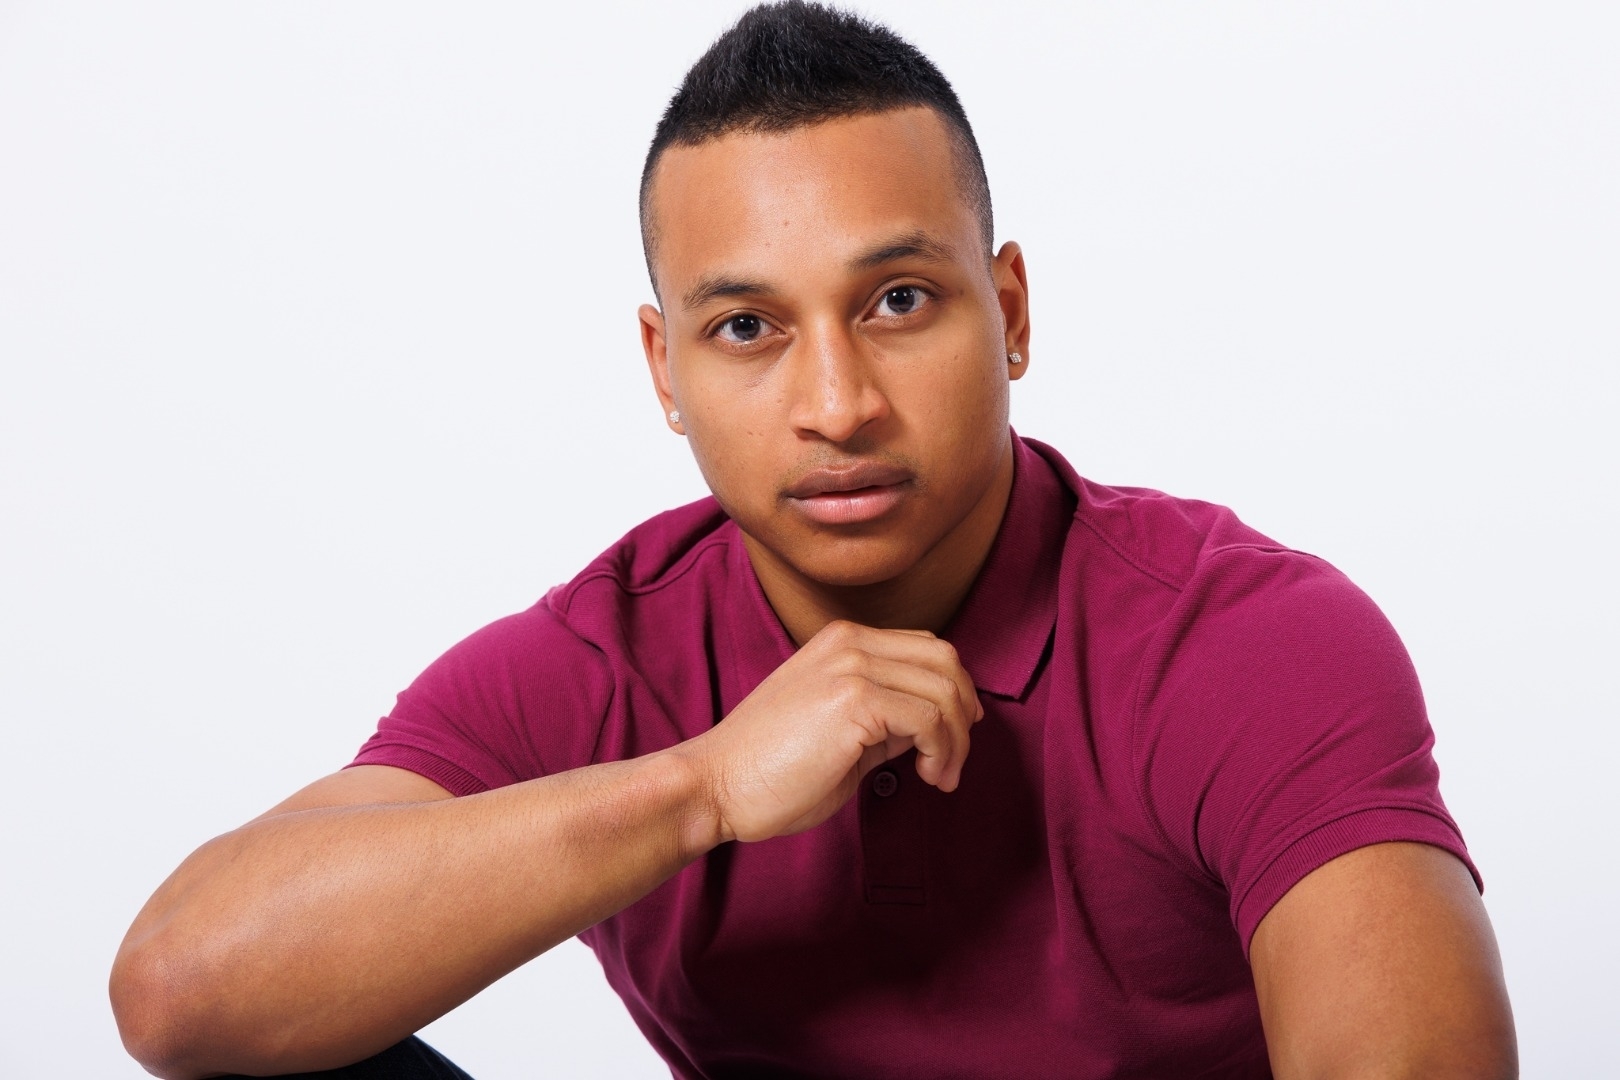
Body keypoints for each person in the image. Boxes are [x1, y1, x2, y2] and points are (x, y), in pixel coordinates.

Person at [110, 3, 1517, 1078]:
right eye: (747, 328)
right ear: (664, 369)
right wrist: (703, 787)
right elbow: (182, 989)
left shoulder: (1243, 643)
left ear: (1010, 311)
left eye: (899, 301)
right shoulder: (606, 663)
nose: (836, 405)